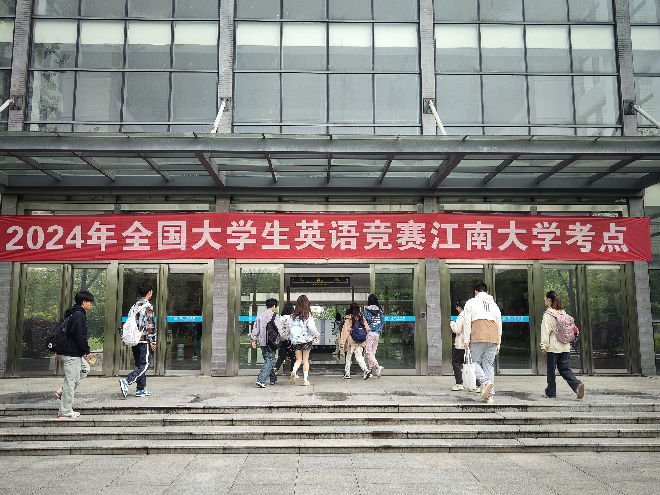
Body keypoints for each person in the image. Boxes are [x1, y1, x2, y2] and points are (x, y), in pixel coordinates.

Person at [56, 290, 94, 419]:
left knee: (85, 368)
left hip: (69, 351)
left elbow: (64, 333)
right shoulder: (78, 315)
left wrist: (59, 350)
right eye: (90, 302)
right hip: (71, 354)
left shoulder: (71, 313)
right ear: (84, 302)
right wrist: (87, 351)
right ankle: (64, 411)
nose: (91, 304)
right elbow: (80, 335)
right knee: (70, 381)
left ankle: (62, 392)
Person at [541, 291, 585, 400]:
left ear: (549, 300)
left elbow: (545, 331)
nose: (544, 300)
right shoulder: (563, 313)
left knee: (551, 370)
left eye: (545, 298)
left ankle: (551, 392)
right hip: (565, 346)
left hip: (553, 347)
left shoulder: (548, 315)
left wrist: (544, 345)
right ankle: (577, 385)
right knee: (565, 369)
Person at [463, 282, 502, 404]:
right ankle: (489, 396)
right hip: (493, 336)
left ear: (475, 292)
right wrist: (499, 342)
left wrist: (466, 340)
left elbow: (467, 322)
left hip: (478, 335)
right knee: (488, 365)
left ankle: (485, 382)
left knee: (472, 362)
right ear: (487, 292)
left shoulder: (471, 302)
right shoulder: (494, 305)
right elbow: (499, 324)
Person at [119, 282, 156, 398]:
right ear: (149, 292)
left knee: (139, 364)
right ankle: (127, 381)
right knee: (145, 364)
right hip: (144, 340)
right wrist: (153, 340)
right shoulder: (148, 307)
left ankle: (141, 389)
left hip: (134, 339)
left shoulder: (134, 306)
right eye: (151, 291)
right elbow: (150, 325)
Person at [250, 298, 282, 388]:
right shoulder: (275, 316)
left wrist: (253, 340)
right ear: (274, 306)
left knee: (268, 360)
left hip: (262, 342)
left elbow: (255, 329)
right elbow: (279, 329)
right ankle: (261, 380)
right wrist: (281, 338)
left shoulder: (260, 316)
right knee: (269, 360)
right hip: (271, 342)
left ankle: (273, 379)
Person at [289, 294, 320, 386]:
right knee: (305, 360)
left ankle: (294, 371)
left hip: (296, 340)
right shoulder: (308, 315)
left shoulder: (293, 316)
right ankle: (305, 381)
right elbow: (312, 328)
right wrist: (317, 335)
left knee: (298, 359)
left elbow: (290, 328)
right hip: (306, 340)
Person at [340, 302, 371, 380]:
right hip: (360, 341)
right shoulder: (362, 318)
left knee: (348, 357)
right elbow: (367, 329)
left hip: (351, 341)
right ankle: (365, 370)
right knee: (359, 356)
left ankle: (347, 373)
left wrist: (342, 342)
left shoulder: (348, 318)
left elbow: (345, 331)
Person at [364, 294, 385, 378]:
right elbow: (382, 322)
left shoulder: (367, 311)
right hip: (377, 334)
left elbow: (365, 322)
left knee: (368, 352)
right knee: (372, 353)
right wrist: (379, 329)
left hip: (370, 333)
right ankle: (369, 371)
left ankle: (377, 366)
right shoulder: (380, 311)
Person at [450, 299, 467, 391]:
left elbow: (457, 330)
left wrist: (452, 323)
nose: (457, 309)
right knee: (471, 364)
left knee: (456, 363)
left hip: (461, 344)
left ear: (460, 307)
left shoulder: (461, 317)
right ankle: (476, 384)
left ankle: (459, 383)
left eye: (457, 307)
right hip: (470, 344)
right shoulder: (470, 315)